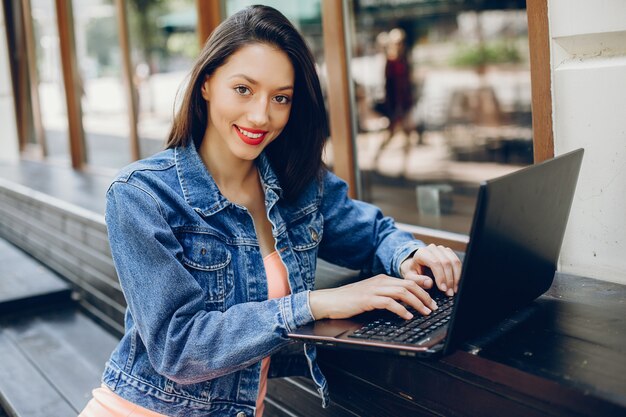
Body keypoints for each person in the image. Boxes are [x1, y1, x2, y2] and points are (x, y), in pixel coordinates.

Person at [79, 6, 461, 417]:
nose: (261, 115)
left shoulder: (297, 181)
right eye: (243, 89)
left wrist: (409, 254)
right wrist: (317, 303)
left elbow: (370, 233)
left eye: (281, 98)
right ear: (206, 83)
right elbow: (180, 347)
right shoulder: (142, 195)